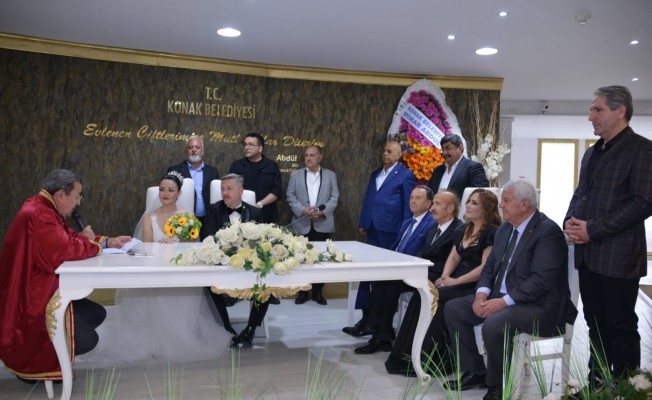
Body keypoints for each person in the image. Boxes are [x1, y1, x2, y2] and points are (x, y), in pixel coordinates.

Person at [84, 172, 232, 368]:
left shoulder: (187, 217)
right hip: (155, 266)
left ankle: (179, 338)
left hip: (179, 268)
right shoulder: (150, 217)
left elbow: (191, 245)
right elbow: (145, 246)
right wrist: (158, 245)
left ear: (179, 193)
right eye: (162, 190)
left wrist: (177, 243)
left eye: (170, 190)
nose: (165, 194)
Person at [445, 180, 576, 400]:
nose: (501, 206)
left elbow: (540, 282)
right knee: (454, 308)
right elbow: (489, 266)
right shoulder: (505, 229)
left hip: (538, 306)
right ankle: (475, 371)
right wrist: (481, 294)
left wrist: (502, 302)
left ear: (524, 205)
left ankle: (498, 385)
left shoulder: (548, 232)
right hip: (502, 297)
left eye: (506, 201)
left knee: (494, 324)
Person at [0, 169, 130, 382]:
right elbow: (66, 250)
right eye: (77, 196)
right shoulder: (40, 214)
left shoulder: (43, 207)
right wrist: (89, 242)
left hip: (40, 288)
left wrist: (108, 241)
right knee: (88, 340)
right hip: (34, 298)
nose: (78, 202)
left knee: (96, 313)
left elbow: (67, 238)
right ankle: (39, 365)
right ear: (61, 194)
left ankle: (53, 357)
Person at [564, 85, 652, 388]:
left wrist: (593, 230)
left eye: (597, 109)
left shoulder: (642, 149)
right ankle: (597, 385)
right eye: (592, 110)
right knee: (595, 324)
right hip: (588, 256)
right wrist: (570, 222)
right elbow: (581, 194)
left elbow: (643, 203)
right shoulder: (592, 152)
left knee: (621, 326)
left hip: (619, 257)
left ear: (620, 111)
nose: (591, 116)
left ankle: (626, 389)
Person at [385, 188, 500, 376]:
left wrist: (455, 281)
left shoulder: (491, 232)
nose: (467, 205)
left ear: (486, 209)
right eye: (468, 201)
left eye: (474, 203)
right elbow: (454, 257)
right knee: (425, 293)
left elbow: (485, 268)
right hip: (455, 280)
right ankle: (410, 355)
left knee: (437, 297)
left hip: (475, 284)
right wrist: (445, 277)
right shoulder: (464, 229)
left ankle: (438, 359)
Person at [384, 190, 464, 375]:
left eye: (437, 204)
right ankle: (402, 353)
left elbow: (453, 260)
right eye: (433, 203)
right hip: (425, 273)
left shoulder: (458, 230)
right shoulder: (433, 227)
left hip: (441, 276)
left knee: (422, 296)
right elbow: (424, 253)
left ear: (450, 208)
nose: (432, 208)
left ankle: (421, 357)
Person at [349, 186, 435, 354]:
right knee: (378, 279)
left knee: (387, 286)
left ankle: (378, 333)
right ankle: (376, 329)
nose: (413, 201)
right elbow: (395, 248)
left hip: (414, 272)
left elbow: (423, 253)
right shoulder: (407, 222)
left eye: (418, 198)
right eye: (411, 197)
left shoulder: (430, 224)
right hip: (397, 269)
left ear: (428, 203)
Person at [200, 174, 269, 348]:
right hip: (222, 265)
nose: (225, 192)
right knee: (208, 284)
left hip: (248, 266)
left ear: (241, 191)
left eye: (229, 188)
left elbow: (262, 242)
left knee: (266, 282)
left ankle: (250, 329)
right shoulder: (214, 210)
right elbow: (208, 238)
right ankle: (226, 328)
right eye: (222, 189)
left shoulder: (255, 212)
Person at [354, 141, 415, 326]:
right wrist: (364, 221)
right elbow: (369, 198)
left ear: (399, 154)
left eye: (390, 151)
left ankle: (378, 318)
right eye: (384, 151)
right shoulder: (375, 173)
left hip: (391, 229)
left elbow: (407, 205)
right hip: (373, 227)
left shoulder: (405, 175)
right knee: (368, 271)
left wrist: (405, 229)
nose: (385, 154)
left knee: (384, 274)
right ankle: (365, 316)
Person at [286, 145, 339, 305]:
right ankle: (302, 292)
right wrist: (303, 210)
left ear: (320, 158)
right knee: (301, 258)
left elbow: (334, 197)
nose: (308, 158)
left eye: (312, 155)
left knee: (320, 259)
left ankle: (318, 292)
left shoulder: (330, 175)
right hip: (302, 223)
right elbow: (290, 196)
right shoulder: (296, 175)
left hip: (322, 223)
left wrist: (323, 212)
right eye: (306, 155)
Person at [229, 132, 282, 224]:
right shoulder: (237, 165)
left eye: (251, 144)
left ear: (260, 148)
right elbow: (230, 188)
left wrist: (259, 204)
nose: (246, 147)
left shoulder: (271, 166)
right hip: (242, 213)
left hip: (267, 214)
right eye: (245, 144)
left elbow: (277, 191)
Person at [166, 135, 220, 223]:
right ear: (186, 151)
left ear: (202, 151)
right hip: (183, 220)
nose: (194, 150)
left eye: (197, 147)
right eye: (190, 147)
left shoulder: (212, 172)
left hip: (209, 220)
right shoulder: (174, 171)